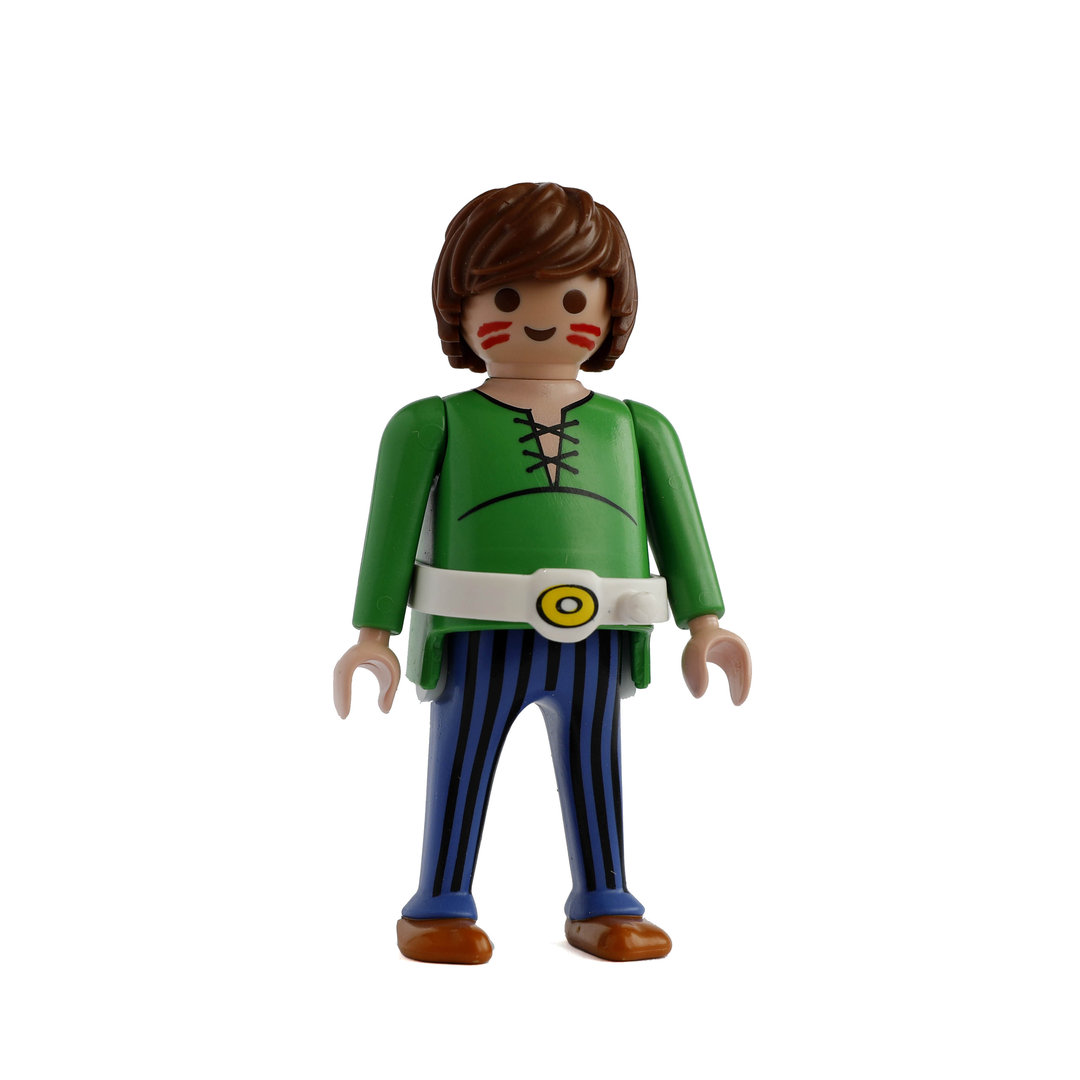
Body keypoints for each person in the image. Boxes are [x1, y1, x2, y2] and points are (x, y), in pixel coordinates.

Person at [333, 183, 751, 964]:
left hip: (598, 635)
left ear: (611, 308)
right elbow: (387, 533)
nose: (541, 318)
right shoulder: (432, 422)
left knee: (596, 763)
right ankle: (439, 904)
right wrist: (372, 635)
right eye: (507, 296)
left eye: (573, 298)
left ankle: (605, 898)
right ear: (459, 307)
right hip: (477, 634)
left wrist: (706, 625)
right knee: (461, 762)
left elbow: (680, 530)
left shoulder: (638, 426)